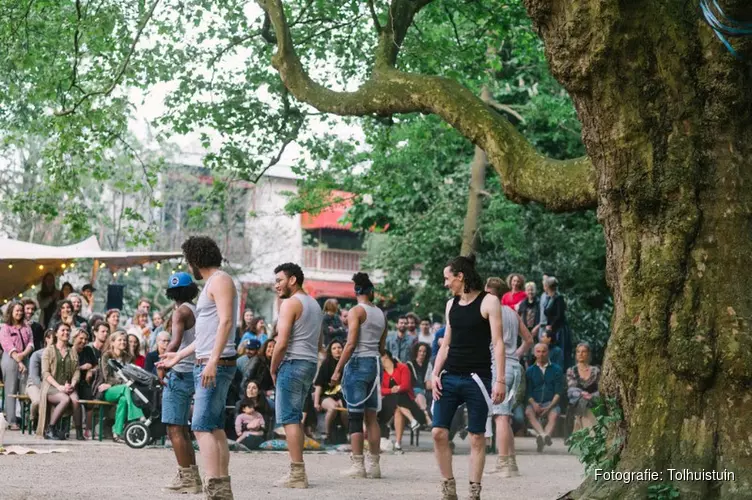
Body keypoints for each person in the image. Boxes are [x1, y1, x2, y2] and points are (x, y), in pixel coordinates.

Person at [159, 236, 238, 499]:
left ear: (195, 259)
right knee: (214, 427)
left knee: (201, 426)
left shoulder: (221, 280)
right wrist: (177, 356)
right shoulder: (211, 285)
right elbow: (206, 335)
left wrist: (213, 361)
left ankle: (215, 487)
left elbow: (226, 323)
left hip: (215, 363)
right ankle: (220, 487)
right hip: (205, 360)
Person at [431, 254, 505, 500]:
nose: (446, 283)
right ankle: (448, 486)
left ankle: (474, 492)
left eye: (447, 278)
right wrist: (434, 372)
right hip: (450, 376)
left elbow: (498, 343)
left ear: (460, 276)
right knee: (438, 433)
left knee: (476, 436)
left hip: (478, 378)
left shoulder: (489, 302)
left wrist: (500, 380)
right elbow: (445, 345)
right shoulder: (451, 305)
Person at [270, 262, 323, 489]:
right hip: (310, 363)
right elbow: (320, 342)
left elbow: (281, 343)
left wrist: (273, 367)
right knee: (295, 418)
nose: (276, 286)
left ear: (293, 280)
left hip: (292, 362)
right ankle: (297, 471)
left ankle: (297, 473)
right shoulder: (314, 304)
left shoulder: (291, 304)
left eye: (279, 280)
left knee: (290, 419)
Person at [331, 272, 387, 479]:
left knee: (355, 415)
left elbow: (351, 343)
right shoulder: (381, 314)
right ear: (371, 292)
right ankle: (374, 465)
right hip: (374, 363)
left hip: (357, 362)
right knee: (372, 417)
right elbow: (382, 347)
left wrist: (337, 369)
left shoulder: (356, 311)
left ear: (356, 292)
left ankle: (358, 465)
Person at [160, 271, 202, 494]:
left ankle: (188, 479)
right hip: (193, 371)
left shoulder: (179, 313)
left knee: (174, 429)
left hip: (179, 373)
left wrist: (162, 363)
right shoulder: (195, 310)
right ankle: (189, 473)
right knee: (182, 430)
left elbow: (174, 342)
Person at [487, 305, 533, 477]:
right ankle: (511, 463)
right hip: (515, 367)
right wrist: (516, 355)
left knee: (500, 417)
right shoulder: (513, 313)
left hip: (500, 366)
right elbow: (528, 339)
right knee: (505, 418)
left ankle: (503, 464)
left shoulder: (490, 310)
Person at [37, 323, 83, 440]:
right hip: (51, 386)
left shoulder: (72, 351)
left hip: (68, 385)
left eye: (68, 330)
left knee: (76, 401)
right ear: (56, 333)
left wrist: (72, 384)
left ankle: (79, 431)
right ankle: (50, 429)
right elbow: (45, 373)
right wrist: (59, 387)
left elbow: (77, 371)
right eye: (63, 330)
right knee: (65, 399)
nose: (66, 333)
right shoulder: (48, 351)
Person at [95, 331, 143, 443]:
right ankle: (137, 416)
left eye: (125, 340)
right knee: (126, 388)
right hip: (108, 391)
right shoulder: (106, 356)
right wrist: (122, 382)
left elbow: (132, 376)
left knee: (123, 400)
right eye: (120, 340)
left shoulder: (129, 357)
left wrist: (124, 382)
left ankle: (116, 433)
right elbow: (108, 378)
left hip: (123, 390)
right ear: (112, 342)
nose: (123, 342)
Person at [379, 350, 425, 452]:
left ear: (387, 357)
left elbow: (406, 386)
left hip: (406, 399)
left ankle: (398, 442)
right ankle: (412, 421)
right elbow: (381, 390)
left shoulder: (402, 367)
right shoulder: (382, 373)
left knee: (398, 407)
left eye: (382, 358)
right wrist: (391, 390)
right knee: (396, 400)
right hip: (388, 401)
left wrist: (397, 389)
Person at [524, 343, 563, 453]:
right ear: (534, 353)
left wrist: (549, 407)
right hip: (534, 402)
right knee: (528, 412)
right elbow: (528, 392)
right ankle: (543, 435)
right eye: (538, 351)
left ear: (548, 353)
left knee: (554, 415)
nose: (541, 354)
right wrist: (534, 404)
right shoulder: (530, 371)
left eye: (544, 351)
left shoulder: (557, 369)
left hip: (551, 402)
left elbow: (558, 392)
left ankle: (542, 437)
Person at [1, 301, 33, 430]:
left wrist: (24, 355)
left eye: (21, 310)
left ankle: (25, 420)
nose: (19, 313)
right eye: (17, 311)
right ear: (11, 312)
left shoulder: (27, 327)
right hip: (10, 359)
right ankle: (11, 420)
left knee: (25, 389)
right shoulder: (5, 328)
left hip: (25, 358)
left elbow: (31, 342)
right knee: (11, 389)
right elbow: (7, 345)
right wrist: (18, 360)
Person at [313, 339, 347, 442]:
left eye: (339, 348)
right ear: (330, 351)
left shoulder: (347, 364)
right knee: (333, 407)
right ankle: (327, 435)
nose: (337, 350)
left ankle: (348, 433)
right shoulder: (326, 364)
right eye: (334, 348)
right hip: (326, 396)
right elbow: (318, 384)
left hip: (342, 396)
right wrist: (316, 402)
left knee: (344, 409)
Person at [567, 343, 601, 431]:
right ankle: (591, 433)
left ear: (588, 354)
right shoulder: (571, 370)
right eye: (578, 352)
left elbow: (600, 388)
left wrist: (591, 396)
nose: (580, 354)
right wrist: (582, 393)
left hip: (593, 400)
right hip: (576, 400)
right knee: (583, 401)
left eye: (583, 351)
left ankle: (579, 432)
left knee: (588, 403)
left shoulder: (596, 370)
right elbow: (571, 389)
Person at [26, 329, 56, 426]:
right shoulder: (37, 355)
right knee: (38, 401)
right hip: (34, 384)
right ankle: (33, 419)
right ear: (47, 339)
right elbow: (34, 377)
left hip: (52, 385)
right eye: (54, 338)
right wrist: (44, 389)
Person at [543, 276, 572, 370]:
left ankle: (562, 371)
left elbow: (559, 315)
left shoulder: (559, 298)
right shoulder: (549, 299)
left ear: (547, 286)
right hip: (552, 330)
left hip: (559, 329)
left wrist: (551, 326)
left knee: (561, 350)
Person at [407, 342, 433, 424]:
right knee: (418, 394)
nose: (422, 353)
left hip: (423, 390)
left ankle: (423, 417)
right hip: (411, 390)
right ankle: (426, 415)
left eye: (424, 351)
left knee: (419, 395)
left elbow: (428, 383)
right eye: (420, 351)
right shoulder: (409, 364)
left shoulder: (428, 365)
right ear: (416, 352)